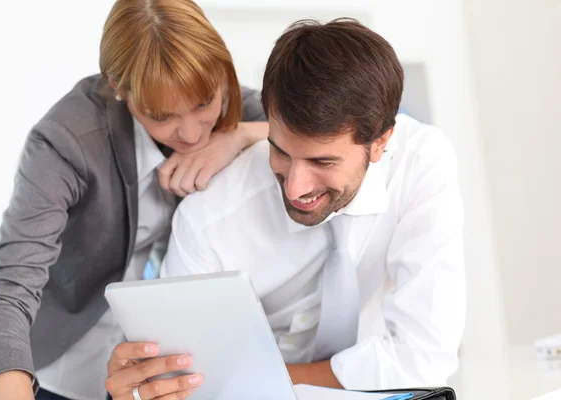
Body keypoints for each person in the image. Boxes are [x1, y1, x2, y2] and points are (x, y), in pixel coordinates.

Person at [104, 18, 466, 399]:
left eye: (322, 162)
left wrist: (264, 381)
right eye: (279, 150)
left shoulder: (420, 162)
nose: (296, 187)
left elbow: (425, 357)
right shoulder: (209, 217)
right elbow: (186, 381)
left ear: (380, 143)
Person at [0, 0, 268, 399]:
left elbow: (311, 131)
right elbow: (8, 287)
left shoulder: (225, 99)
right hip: (38, 356)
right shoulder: (65, 140)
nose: (193, 134)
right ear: (119, 88)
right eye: (163, 117)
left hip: (132, 370)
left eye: (203, 104)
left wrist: (240, 135)